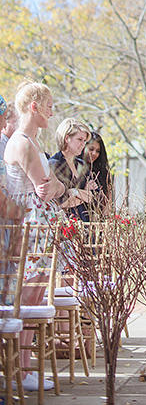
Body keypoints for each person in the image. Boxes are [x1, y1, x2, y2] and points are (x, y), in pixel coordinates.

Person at [4, 81, 65, 391]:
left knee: (35, 296)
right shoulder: (22, 143)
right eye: (48, 105)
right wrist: (54, 188)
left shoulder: (34, 141)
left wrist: (57, 187)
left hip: (41, 226)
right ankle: (21, 370)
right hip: (29, 228)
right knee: (27, 298)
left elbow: (54, 186)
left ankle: (25, 369)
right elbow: (43, 188)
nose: (52, 111)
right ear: (34, 106)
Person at [48, 118, 95, 221]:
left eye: (84, 141)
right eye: (79, 139)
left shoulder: (82, 164)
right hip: (64, 223)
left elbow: (91, 197)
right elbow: (61, 202)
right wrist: (82, 194)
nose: (83, 144)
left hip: (85, 220)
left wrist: (75, 192)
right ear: (67, 138)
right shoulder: (54, 164)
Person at [82, 131, 113, 215]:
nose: (94, 153)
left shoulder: (103, 173)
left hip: (98, 220)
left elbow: (108, 202)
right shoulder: (73, 168)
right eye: (91, 149)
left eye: (98, 151)